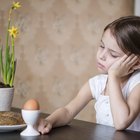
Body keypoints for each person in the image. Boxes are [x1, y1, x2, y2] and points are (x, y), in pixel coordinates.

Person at [38, 16, 140, 134]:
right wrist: (49, 121)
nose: (101, 55)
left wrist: (113, 76)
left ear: (136, 63)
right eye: (102, 46)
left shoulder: (136, 84)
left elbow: (121, 122)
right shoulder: (98, 83)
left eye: (113, 54)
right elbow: (68, 111)